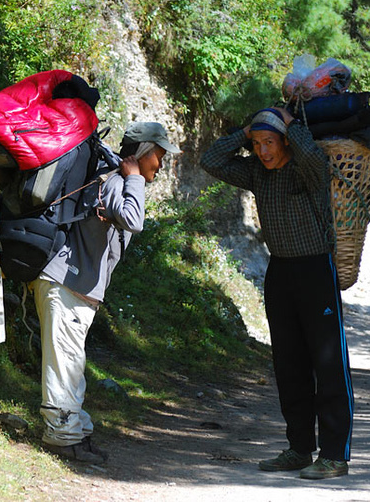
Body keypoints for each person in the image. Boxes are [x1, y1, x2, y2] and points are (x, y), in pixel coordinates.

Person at [200, 106, 353, 480]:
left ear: (284, 141)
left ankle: (335, 455)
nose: (264, 151)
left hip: (316, 269)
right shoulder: (256, 172)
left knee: (328, 364)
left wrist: (289, 123)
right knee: (289, 364)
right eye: (257, 144)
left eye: (269, 143)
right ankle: (300, 448)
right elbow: (211, 160)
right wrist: (246, 130)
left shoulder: (307, 171)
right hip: (280, 272)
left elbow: (315, 158)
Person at [33, 122, 180, 463]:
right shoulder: (116, 181)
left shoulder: (112, 180)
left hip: (75, 288)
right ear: (142, 153)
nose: (160, 164)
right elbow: (133, 219)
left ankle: (76, 434)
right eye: (158, 155)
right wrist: (134, 178)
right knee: (64, 366)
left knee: (71, 364)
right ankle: (61, 438)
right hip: (65, 284)